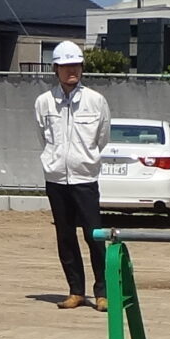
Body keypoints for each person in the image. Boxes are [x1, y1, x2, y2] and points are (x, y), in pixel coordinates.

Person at [33, 42, 110, 308]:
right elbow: (44, 138)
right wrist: (55, 161)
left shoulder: (96, 101)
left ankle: (103, 293)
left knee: (94, 235)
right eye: (66, 66)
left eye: (76, 65)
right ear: (56, 69)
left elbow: (102, 138)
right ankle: (76, 290)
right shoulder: (44, 102)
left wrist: (84, 159)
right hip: (56, 179)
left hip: (85, 178)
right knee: (65, 236)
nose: (71, 71)